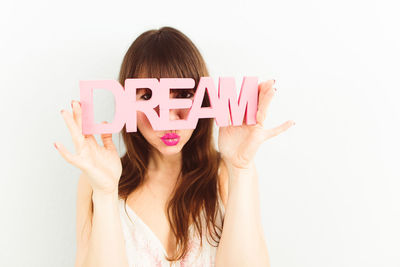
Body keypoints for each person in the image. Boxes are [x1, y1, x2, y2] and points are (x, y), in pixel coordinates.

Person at [54, 26, 295, 267]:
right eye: (148, 97)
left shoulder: (227, 174)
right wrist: (106, 194)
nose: (168, 117)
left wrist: (241, 169)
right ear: (126, 103)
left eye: (182, 94)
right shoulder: (97, 182)